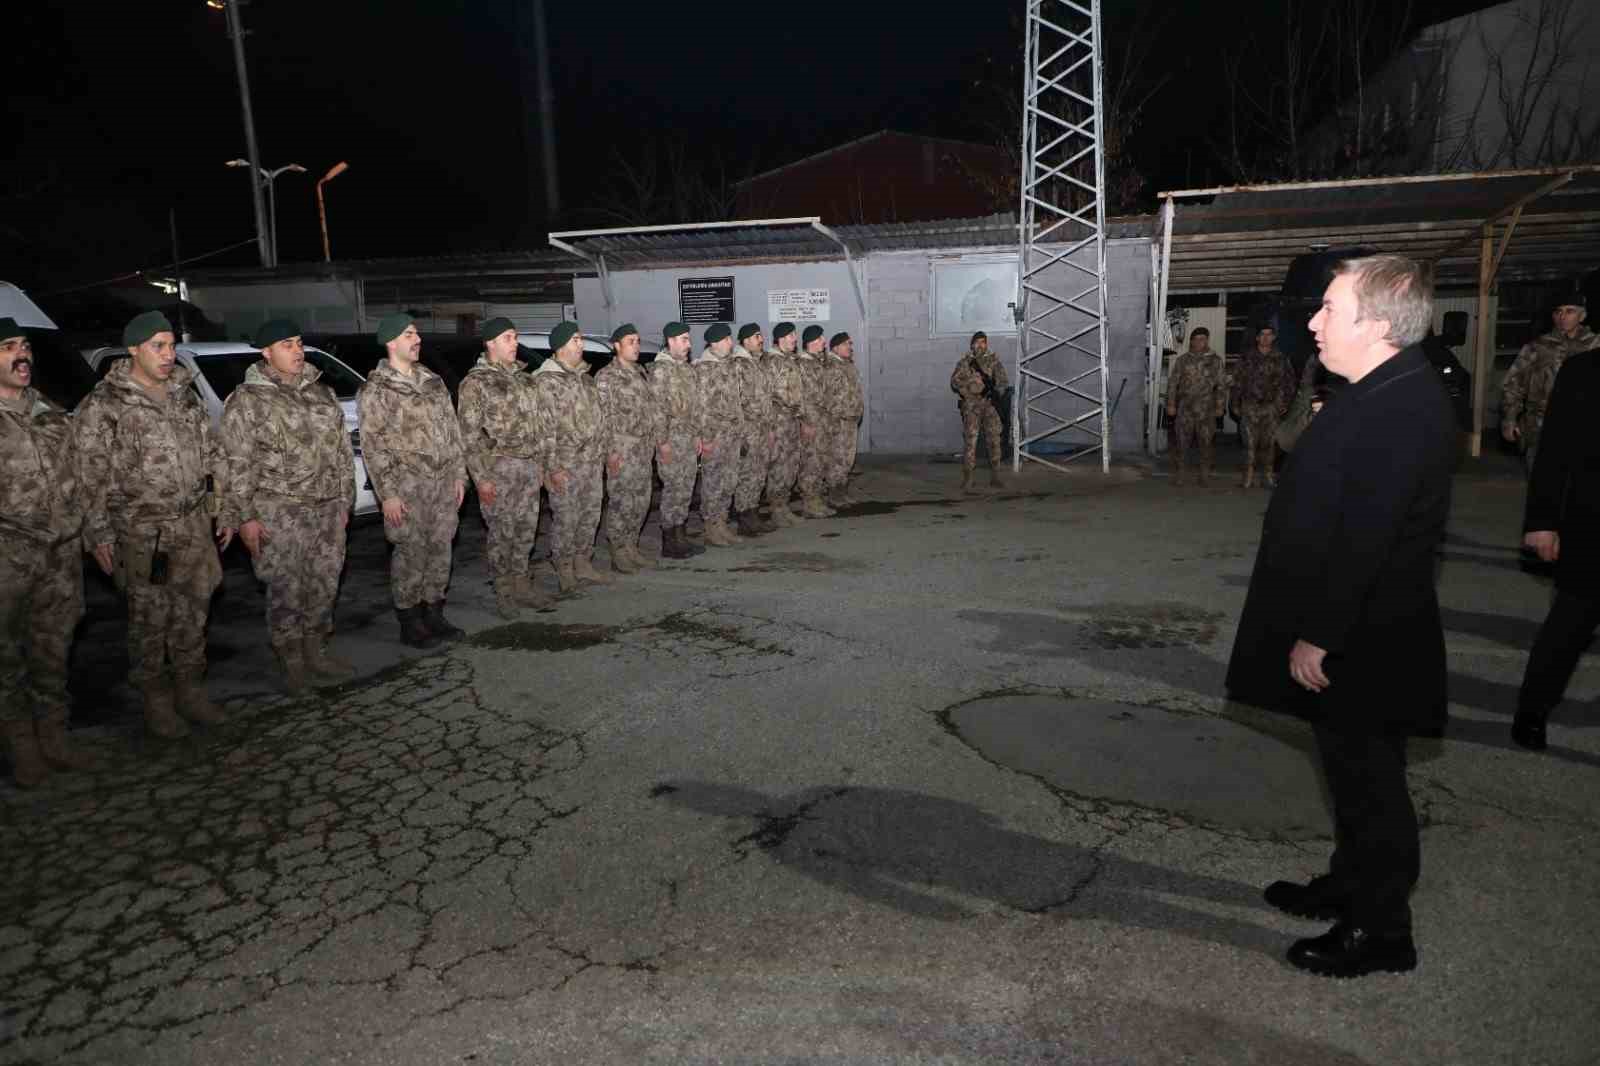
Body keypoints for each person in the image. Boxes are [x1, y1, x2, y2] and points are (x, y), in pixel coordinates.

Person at [1226, 255, 1456, 978]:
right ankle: (1349, 882)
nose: (1313, 322)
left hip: (1362, 634)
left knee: (1371, 784)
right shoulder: (1380, 388)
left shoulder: (1401, 407)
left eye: (1329, 309)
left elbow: (1368, 536)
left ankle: (1382, 930)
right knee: (1349, 768)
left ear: (1381, 325)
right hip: (1357, 624)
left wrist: (1320, 634)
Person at [75, 311, 226, 737]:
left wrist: (217, 509)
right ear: (134, 350)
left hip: (194, 529)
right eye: (158, 346)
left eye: (172, 345)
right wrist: (99, 533)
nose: (168, 354)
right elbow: (89, 475)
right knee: (152, 616)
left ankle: (191, 691)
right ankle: (156, 700)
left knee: (195, 610)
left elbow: (211, 459)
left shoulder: (185, 396)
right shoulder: (105, 405)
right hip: (149, 538)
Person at [216, 319, 358, 691]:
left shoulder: (321, 393)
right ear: (266, 353)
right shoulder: (247, 400)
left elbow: (341, 452)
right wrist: (244, 517)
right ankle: (291, 660)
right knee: (286, 590)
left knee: (325, 584)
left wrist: (345, 499)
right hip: (279, 512)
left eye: (299, 343)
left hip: (326, 509)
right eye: (287, 344)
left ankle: (317, 651)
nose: (297, 351)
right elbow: (235, 463)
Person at [1, 318, 94, 785]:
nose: (22, 355)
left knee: (52, 651)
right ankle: (23, 750)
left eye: (24, 346)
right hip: (7, 560)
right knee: (6, 658)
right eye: (8, 347)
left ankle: (55, 738)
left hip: (59, 557)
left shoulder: (52, 414)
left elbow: (79, 481)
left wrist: (91, 535)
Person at [356, 313, 467, 648]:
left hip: (442, 484)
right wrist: (386, 493)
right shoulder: (377, 389)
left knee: (440, 549)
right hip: (406, 487)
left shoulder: (433, 382)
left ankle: (434, 613)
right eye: (408, 334)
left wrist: (459, 474)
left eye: (417, 333)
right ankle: (410, 621)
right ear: (392, 342)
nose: (417, 339)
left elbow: (453, 432)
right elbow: (374, 445)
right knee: (410, 553)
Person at [1510, 340, 1600, 751]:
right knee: (1568, 627)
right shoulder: (1583, 371)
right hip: (1591, 526)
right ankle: (1532, 712)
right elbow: (1554, 452)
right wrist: (1543, 523)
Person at [456, 317, 548, 619]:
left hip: (529, 466)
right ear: (491, 343)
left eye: (515, 336)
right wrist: (481, 479)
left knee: (526, 530)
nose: (515, 343)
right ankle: (504, 590)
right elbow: (468, 436)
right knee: (502, 533)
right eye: (508, 337)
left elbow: (539, 425)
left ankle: (522, 583)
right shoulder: (476, 383)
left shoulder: (525, 378)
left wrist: (542, 464)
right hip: (499, 469)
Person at [530, 322, 619, 589]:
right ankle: (564, 567)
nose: (581, 345)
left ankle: (583, 562)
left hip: (591, 462)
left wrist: (604, 453)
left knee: (590, 515)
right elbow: (544, 429)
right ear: (560, 347)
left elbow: (600, 420)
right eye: (575, 340)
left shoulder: (585, 379)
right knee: (566, 518)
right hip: (566, 464)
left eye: (580, 339)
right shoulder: (546, 381)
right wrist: (552, 467)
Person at [597, 323, 668, 573]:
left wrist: (658, 441)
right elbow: (603, 419)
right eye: (631, 342)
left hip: (643, 449)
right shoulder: (607, 377)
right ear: (617, 346)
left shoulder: (641, 372)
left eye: (638, 341)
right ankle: (619, 551)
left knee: (641, 500)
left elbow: (652, 410)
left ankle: (631, 546)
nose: (637, 346)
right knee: (622, 502)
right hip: (623, 449)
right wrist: (610, 453)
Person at [1501, 294, 1597, 472]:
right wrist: (1510, 419)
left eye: (1570, 311)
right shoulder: (1538, 346)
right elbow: (1514, 383)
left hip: (1584, 426)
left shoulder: (1595, 345)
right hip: (1540, 426)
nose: (1563, 317)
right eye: (1558, 312)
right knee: (1540, 479)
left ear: (1582, 316)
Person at [649, 322, 709, 559]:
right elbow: (657, 410)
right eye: (684, 339)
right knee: (673, 489)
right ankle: (669, 541)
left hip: (687, 440)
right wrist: (662, 443)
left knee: (685, 489)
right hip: (671, 441)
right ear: (670, 341)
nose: (688, 344)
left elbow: (694, 407)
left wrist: (696, 435)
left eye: (688, 339)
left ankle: (680, 535)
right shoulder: (660, 370)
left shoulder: (685, 369)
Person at [694, 324, 746, 546]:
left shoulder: (729, 366)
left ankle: (721, 522)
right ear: (713, 343)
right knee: (713, 482)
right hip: (715, 436)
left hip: (732, 435)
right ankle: (711, 526)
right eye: (725, 340)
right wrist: (706, 438)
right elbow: (702, 407)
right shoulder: (704, 369)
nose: (730, 343)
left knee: (729, 480)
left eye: (729, 339)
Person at [1231, 326, 1295, 489]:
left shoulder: (1281, 358)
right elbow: (1237, 381)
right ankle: (1248, 477)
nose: (1266, 338)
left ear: (1273, 338)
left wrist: (1285, 403)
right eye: (1262, 334)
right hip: (1250, 406)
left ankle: (1268, 477)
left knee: (1269, 444)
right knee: (1249, 444)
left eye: (1269, 335)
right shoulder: (1246, 357)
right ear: (1257, 338)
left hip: (1271, 407)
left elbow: (1290, 382)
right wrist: (1234, 403)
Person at [730, 323, 777, 537]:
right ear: (745, 340)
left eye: (761, 335)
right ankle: (744, 517)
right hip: (748, 429)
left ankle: (752, 513)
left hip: (761, 427)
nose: (761, 340)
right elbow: (738, 400)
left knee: (758, 473)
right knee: (747, 474)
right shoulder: (739, 364)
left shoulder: (756, 363)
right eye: (756, 336)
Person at [1164, 327, 1225, 486]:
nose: (1200, 342)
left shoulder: (1216, 361)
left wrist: (1220, 406)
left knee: (1206, 443)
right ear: (1191, 341)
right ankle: (1180, 474)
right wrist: (1171, 403)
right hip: (1185, 408)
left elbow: (1221, 385)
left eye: (1203, 339)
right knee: (1182, 443)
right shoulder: (1183, 360)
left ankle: (1204, 475)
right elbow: (1173, 383)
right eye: (1196, 339)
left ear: (1207, 341)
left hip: (1207, 409)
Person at [949, 331, 1008, 494]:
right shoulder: (965, 363)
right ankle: (968, 478)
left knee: (995, 440)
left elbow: (1003, 381)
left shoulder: (994, 361)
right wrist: (969, 389)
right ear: (972, 345)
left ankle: (996, 476)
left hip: (990, 406)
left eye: (984, 342)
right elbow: (954, 382)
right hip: (972, 406)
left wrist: (995, 392)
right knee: (971, 441)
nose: (981, 345)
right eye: (977, 342)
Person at [760, 322, 806, 528]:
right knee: (778, 466)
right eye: (790, 335)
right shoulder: (772, 361)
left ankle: (784, 505)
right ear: (780, 339)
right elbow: (773, 393)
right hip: (778, 422)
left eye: (795, 335)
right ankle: (776, 509)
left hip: (792, 421)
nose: (795, 339)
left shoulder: (792, 360)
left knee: (790, 464)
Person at [794, 325, 834, 518]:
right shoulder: (802, 363)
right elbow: (801, 397)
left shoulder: (818, 362)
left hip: (822, 421)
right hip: (811, 422)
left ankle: (816, 498)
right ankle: (809, 502)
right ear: (811, 341)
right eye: (820, 339)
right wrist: (805, 422)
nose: (824, 342)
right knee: (811, 462)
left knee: (820, 461)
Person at [824, 332, 865, 507]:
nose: (850, 347)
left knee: (847, 459)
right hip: (839, 420)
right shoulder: (831, 366)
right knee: (837, 458)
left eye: (850, 343)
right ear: (835, 347)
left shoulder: (848, 365)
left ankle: (842, 491)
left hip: (850, 419)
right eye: (846, 344)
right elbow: (827, 396)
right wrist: (836, 417)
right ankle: (834, 495)